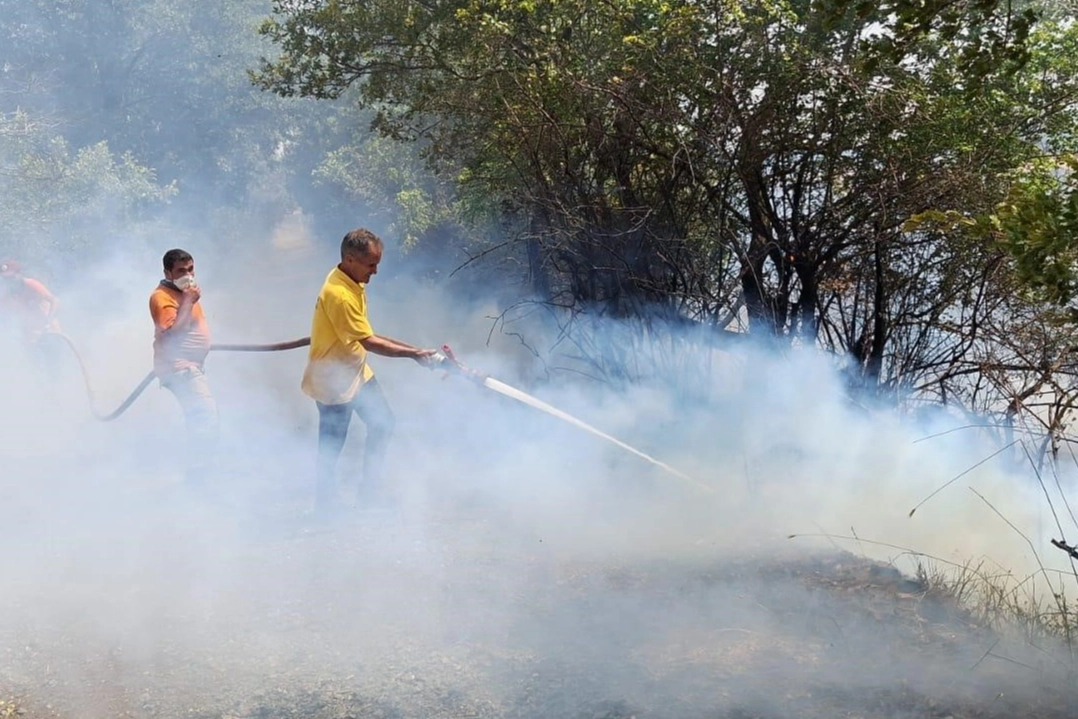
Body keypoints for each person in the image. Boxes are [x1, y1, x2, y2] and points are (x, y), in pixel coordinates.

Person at [301, 228, 440, 518]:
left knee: (384, 423)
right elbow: (369, 341)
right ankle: (324, 507)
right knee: (331, 447)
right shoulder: (339, 294)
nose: (375, 271)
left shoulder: (350, 280)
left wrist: (417, 350)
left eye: (377, 263)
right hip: (333, 382)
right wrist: (413, 355)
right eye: (371, 264)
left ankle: (368, 494)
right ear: (350, 260)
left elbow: (367, 333)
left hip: (355, 371)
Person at [149, 249, 219, 486]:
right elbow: (172, 335)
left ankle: (199, 476)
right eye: (180, 271)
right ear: (168, 273)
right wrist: (189, 301)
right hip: (179, 368)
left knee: (199, 418)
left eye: (190, 269)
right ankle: (199, 479)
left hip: (190, 367)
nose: (187, 275)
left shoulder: (184, 293)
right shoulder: (162, 297)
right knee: (205, 418)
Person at [0, 260, 61, 346]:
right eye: (6, 279)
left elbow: (55, 301)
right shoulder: (7, 295)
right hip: (31, 338)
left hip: (50, 332)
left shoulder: (31, 285)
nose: (10, 281)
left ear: (19, 274)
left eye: (11, 277)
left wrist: (48, 322)